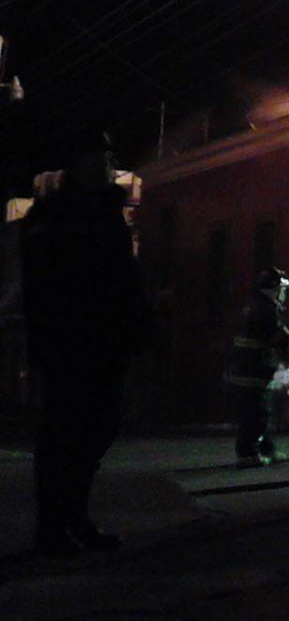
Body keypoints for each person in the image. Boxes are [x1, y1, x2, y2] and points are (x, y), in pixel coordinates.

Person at [20, 129, 151, 556]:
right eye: (93, 158)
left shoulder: (106, 212)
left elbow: (124, 278)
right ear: (75, 165)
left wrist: (137, 328)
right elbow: (41, 285)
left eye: (106, 158)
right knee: (64, 433)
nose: (102, 165)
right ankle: (54, 527)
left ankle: (72, 518)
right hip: (70, 340)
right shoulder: (54, 216)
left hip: (105, 340)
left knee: (98, 427)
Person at [228, 266, 289, 468]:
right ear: (275, 288)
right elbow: (280, 337)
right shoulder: (267, 310)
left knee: (256, 410)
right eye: (282, 288)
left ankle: (266, 448)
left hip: (244, 368)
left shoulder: (252, 306)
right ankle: (248, 453)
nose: (284, 293)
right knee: (257, 413)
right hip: (255, 370)